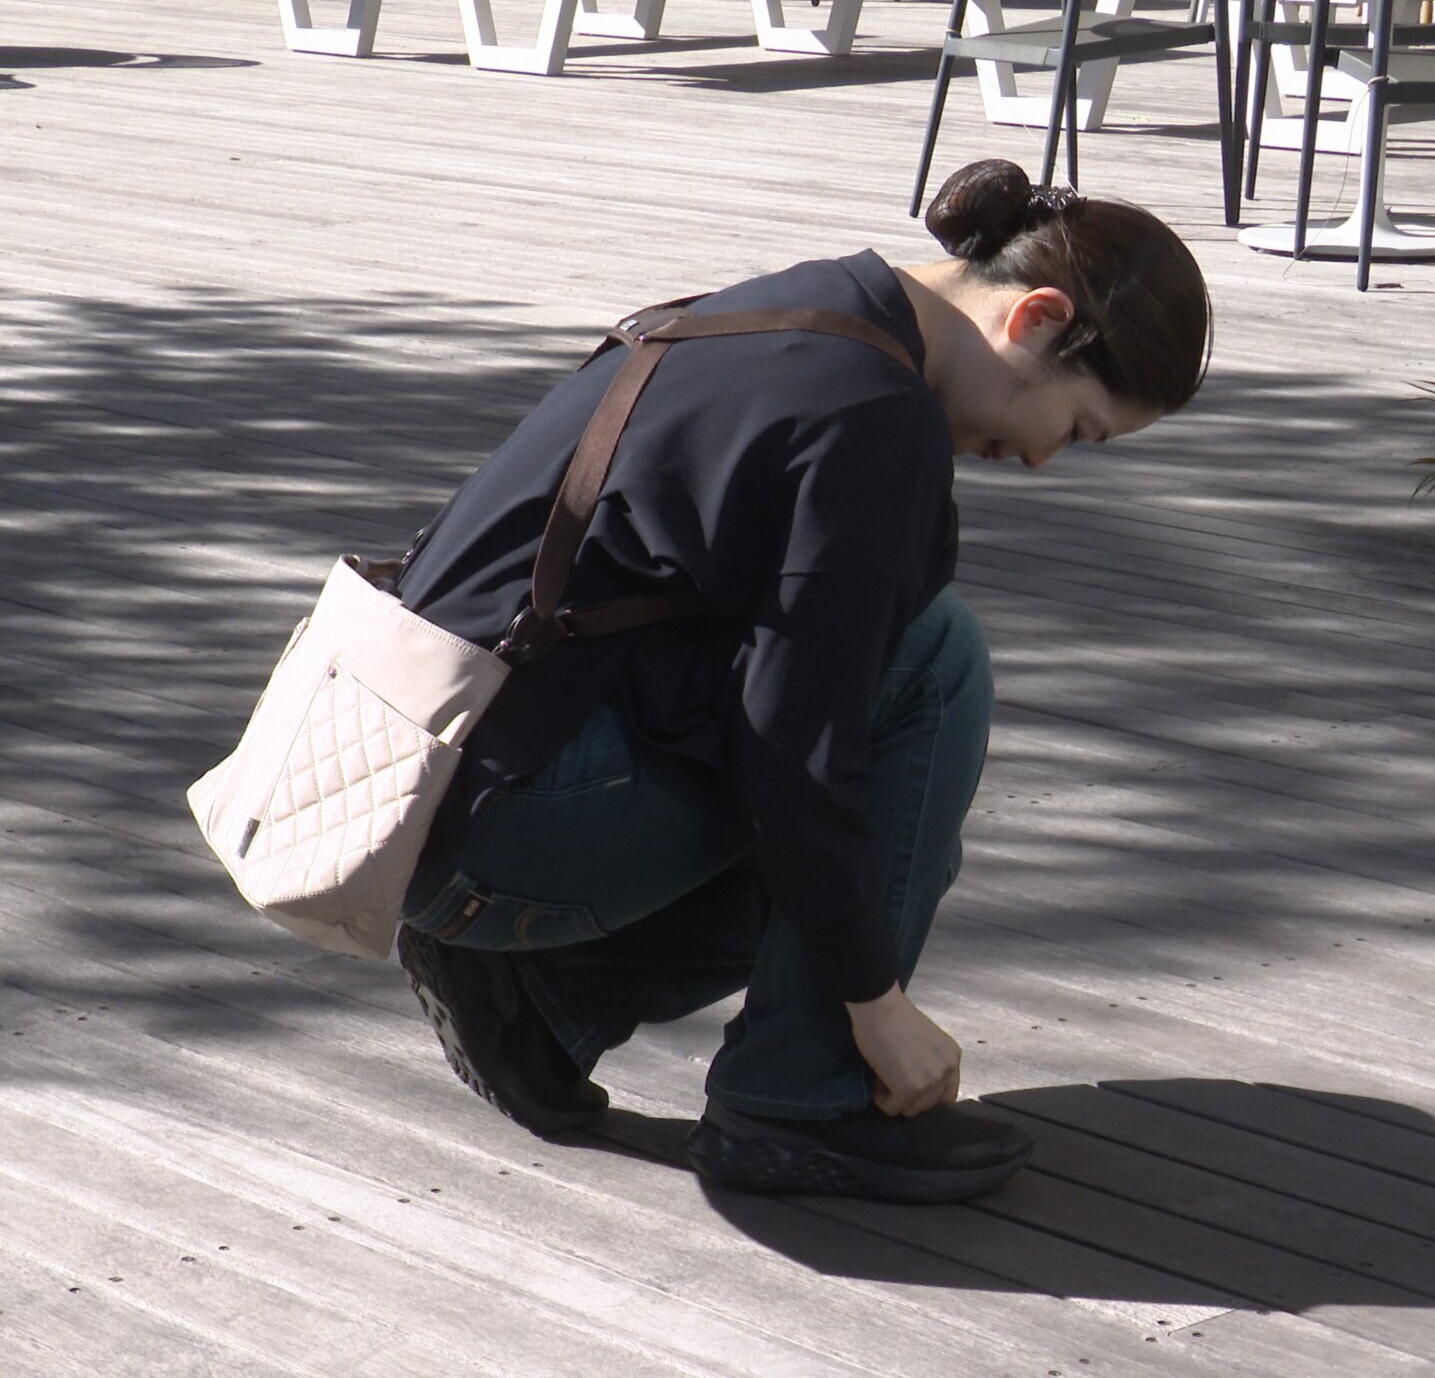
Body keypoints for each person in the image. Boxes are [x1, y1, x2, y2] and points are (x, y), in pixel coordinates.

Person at [393, 158, 1212, 1203]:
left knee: (863, 761)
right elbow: (796, 753)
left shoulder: (794, 308)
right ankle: (801, 1098)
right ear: (1037, 319)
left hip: (420, 778)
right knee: (931, 668)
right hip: (497, 828)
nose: (1047, 458)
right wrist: (874, 1005)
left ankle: (540, 994)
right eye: (1078, 425)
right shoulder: (871, 415)